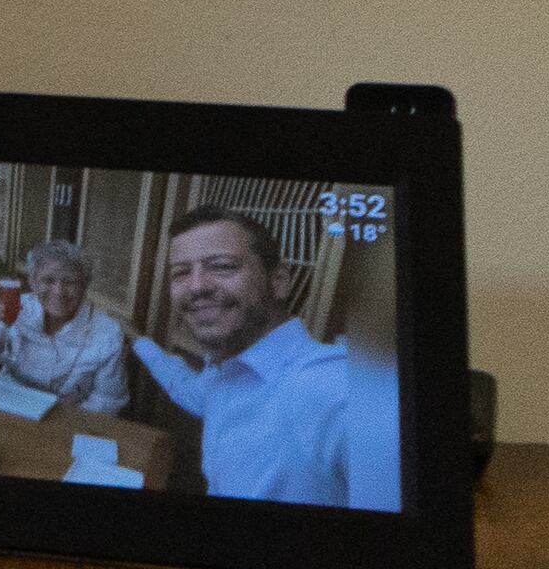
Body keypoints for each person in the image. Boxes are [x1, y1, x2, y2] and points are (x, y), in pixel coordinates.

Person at [129, 205, 375, 506]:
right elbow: (189, 390)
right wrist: (139, 341)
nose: (196, 286)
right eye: (181, 273)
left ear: (279, 281)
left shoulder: (337, 391)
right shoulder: (225, 372)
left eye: (222, 266)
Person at [0, 241, 132, 414]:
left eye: (70, 282)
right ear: (33, 283)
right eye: (48, 281)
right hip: (5, 404)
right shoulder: (14, 308)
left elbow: (109, 400)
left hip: (66, 419)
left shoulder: (107, 333)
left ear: (84, 286)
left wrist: (62, 417)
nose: (59, 292)